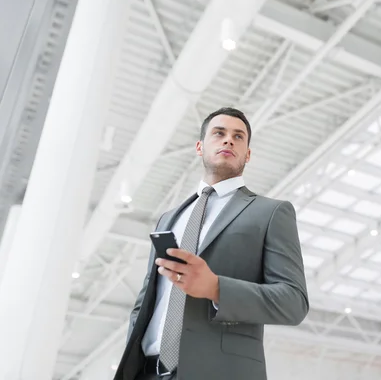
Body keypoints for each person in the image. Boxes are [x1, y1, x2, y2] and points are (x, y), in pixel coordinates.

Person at [114, 107, 309, 380]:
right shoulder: (169, 218)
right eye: (219, 133)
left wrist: (216, 288)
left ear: (248, 154)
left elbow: (294, 302)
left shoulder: (271, 213)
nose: (228, 140)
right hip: (147, 371)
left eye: (238, 136)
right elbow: (147, 299)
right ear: (200, 146)